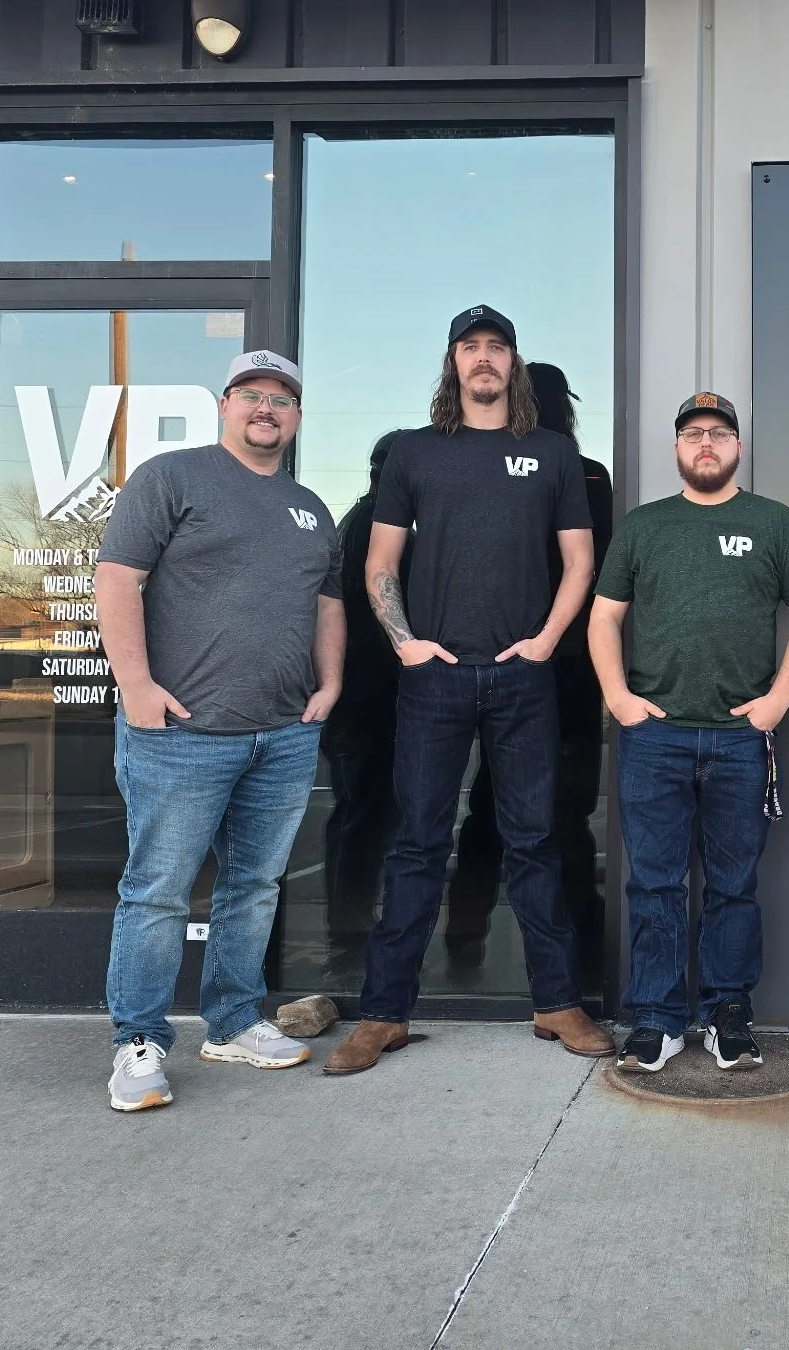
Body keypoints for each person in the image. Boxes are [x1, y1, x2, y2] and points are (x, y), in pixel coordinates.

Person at [325, 305, 610, 1074]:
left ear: (513, 364)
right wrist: (405, 643)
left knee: (534, 843)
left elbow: (580, 563)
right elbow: (379, 564)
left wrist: (545, 642)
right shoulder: (415, 454)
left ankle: (557, 1002)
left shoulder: (551, 454)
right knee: (418, 844)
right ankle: (384, 1014)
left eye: (497, 348)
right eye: (470, 347)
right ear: (453, 363)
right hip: (434, 683)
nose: (484, 358)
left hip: (522, 680)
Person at [95, 349, 345, 1112]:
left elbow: (327, 603)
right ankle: (138, 1043)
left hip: (282, 733)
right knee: (158, 892)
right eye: (251, 394)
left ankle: (233, 1021)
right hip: (182, 733)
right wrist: (135, 685)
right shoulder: (171, 478)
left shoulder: (310, 508)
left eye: (282, 399)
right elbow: (117, 579)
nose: (267, 408)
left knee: (254, 887)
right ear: (225, 405)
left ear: (296, 417)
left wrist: (330, 683)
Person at [590, 392, 789, 1074]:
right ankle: (656, 1020)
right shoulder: (644, 526)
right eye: (693, 433)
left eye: (719, 434)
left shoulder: (772, 521)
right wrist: (619, 699)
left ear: (737, 448)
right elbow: (604, 617)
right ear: (676, 448)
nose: (705, 444)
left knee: (733, 885)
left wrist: (777, 700)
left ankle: (728, 1015)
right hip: (653, 739)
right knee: (654, 885)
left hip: (740, 739)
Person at [445, 363, 614, 978]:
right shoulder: (587, 474)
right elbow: (599, 577)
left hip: (506, 658)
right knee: (563, 814)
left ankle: (465, 937)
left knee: (491, 809)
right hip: (566, 668)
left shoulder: (561, 472)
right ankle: (581, 950)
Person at [321, 428, 412, 967]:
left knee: (359, 813)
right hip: (368, 699)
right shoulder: (374, 527)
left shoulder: (360, 520)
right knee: (366, 816)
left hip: (361, 698)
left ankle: (350, 922)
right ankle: (351, 929)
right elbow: (370, 619)